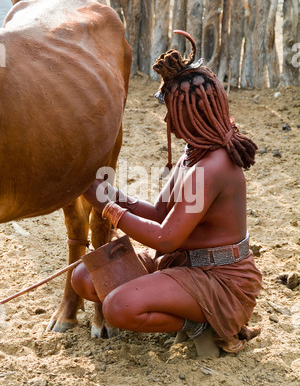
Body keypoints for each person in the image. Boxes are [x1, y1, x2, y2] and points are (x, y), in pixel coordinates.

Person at [73, 31, 263, 357]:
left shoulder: (212, 167)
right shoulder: (194, 153)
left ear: (190, 114)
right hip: (179, 263)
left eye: (171, 110)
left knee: (119, 307)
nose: (165, 119)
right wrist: (108, 192)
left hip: (219, 280)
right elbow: (161, 212)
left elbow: (165, 238)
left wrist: (109, 209)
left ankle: (209, 325)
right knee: (85, 278)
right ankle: (187, 309)